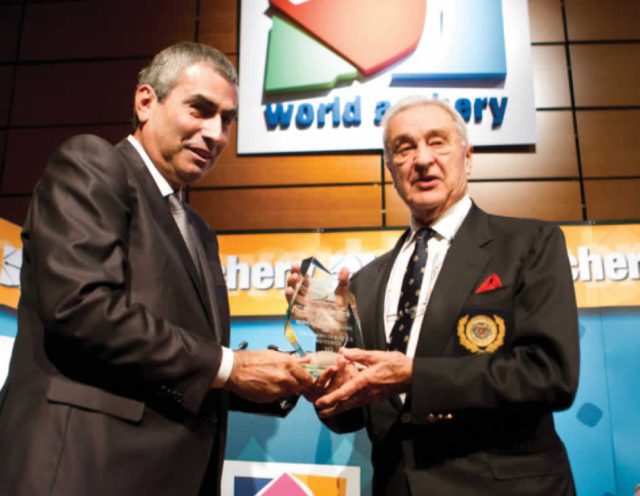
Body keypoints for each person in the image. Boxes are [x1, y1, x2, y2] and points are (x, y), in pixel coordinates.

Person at [0, 42, 313, 496]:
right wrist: (230, 366)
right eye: (200, 110)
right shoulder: (91, 163)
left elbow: (183, 366)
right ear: (146, 102)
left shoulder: (199, 230)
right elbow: (81, 309)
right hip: (84, 473)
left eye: (227, 119)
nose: (216, 134)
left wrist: (283, 375)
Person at [291, 96, 580, 495]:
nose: (423, 160)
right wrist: (328, 345)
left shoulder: (530, 243)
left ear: (468, 157)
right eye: (404, 148)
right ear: (390, 170)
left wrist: (415, 376)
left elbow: (550, 375)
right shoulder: (364, 282)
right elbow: (350, 418)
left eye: (437, 142)